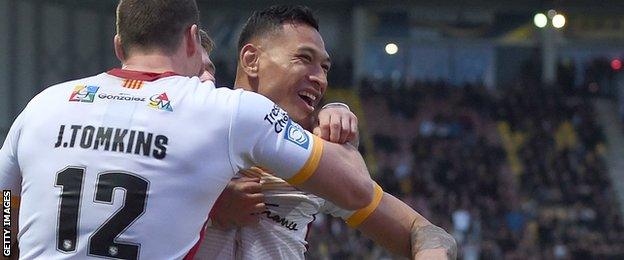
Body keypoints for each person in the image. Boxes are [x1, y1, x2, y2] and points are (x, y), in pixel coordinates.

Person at [0, 1, 379, 259]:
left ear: (119, 45)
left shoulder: (43, 104)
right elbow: (358, 189)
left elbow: (4, 211)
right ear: (191, 39)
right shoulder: (224, 112)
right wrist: (340, 119)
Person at [196, 5, 456, 260]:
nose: (320, 79)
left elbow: (423, 232)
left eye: (325, 68)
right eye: (304, 59)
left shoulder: (315, 157)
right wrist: (206, 202)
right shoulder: (192, 123)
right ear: (252, 60)